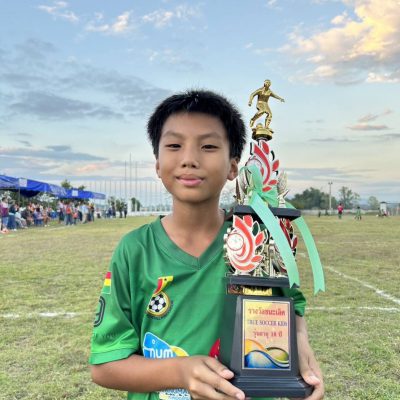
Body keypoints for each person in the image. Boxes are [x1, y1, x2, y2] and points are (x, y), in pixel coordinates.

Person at [89, 90, 324, 400]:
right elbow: (105, 366)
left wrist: (300, 343)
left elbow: (292, 309)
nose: (189, 159)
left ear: (233, 166)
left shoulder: (260, 240)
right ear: (157, 164)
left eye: (209, 146)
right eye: (174, 146)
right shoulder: (135, 250)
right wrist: (181, 373)